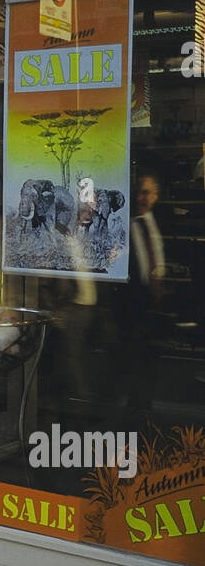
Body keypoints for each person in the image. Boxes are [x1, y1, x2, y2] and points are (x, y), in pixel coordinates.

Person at [120, 171, 166, 413]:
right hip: (133, 304)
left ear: (156, 196)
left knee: (150, 360)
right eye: (139, 192)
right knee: (135, 358)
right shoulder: (127, 225)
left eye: (147, 192)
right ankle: (134, 408)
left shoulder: (159, 223)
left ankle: (143, 405)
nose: (141, 197)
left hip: (154, 302)